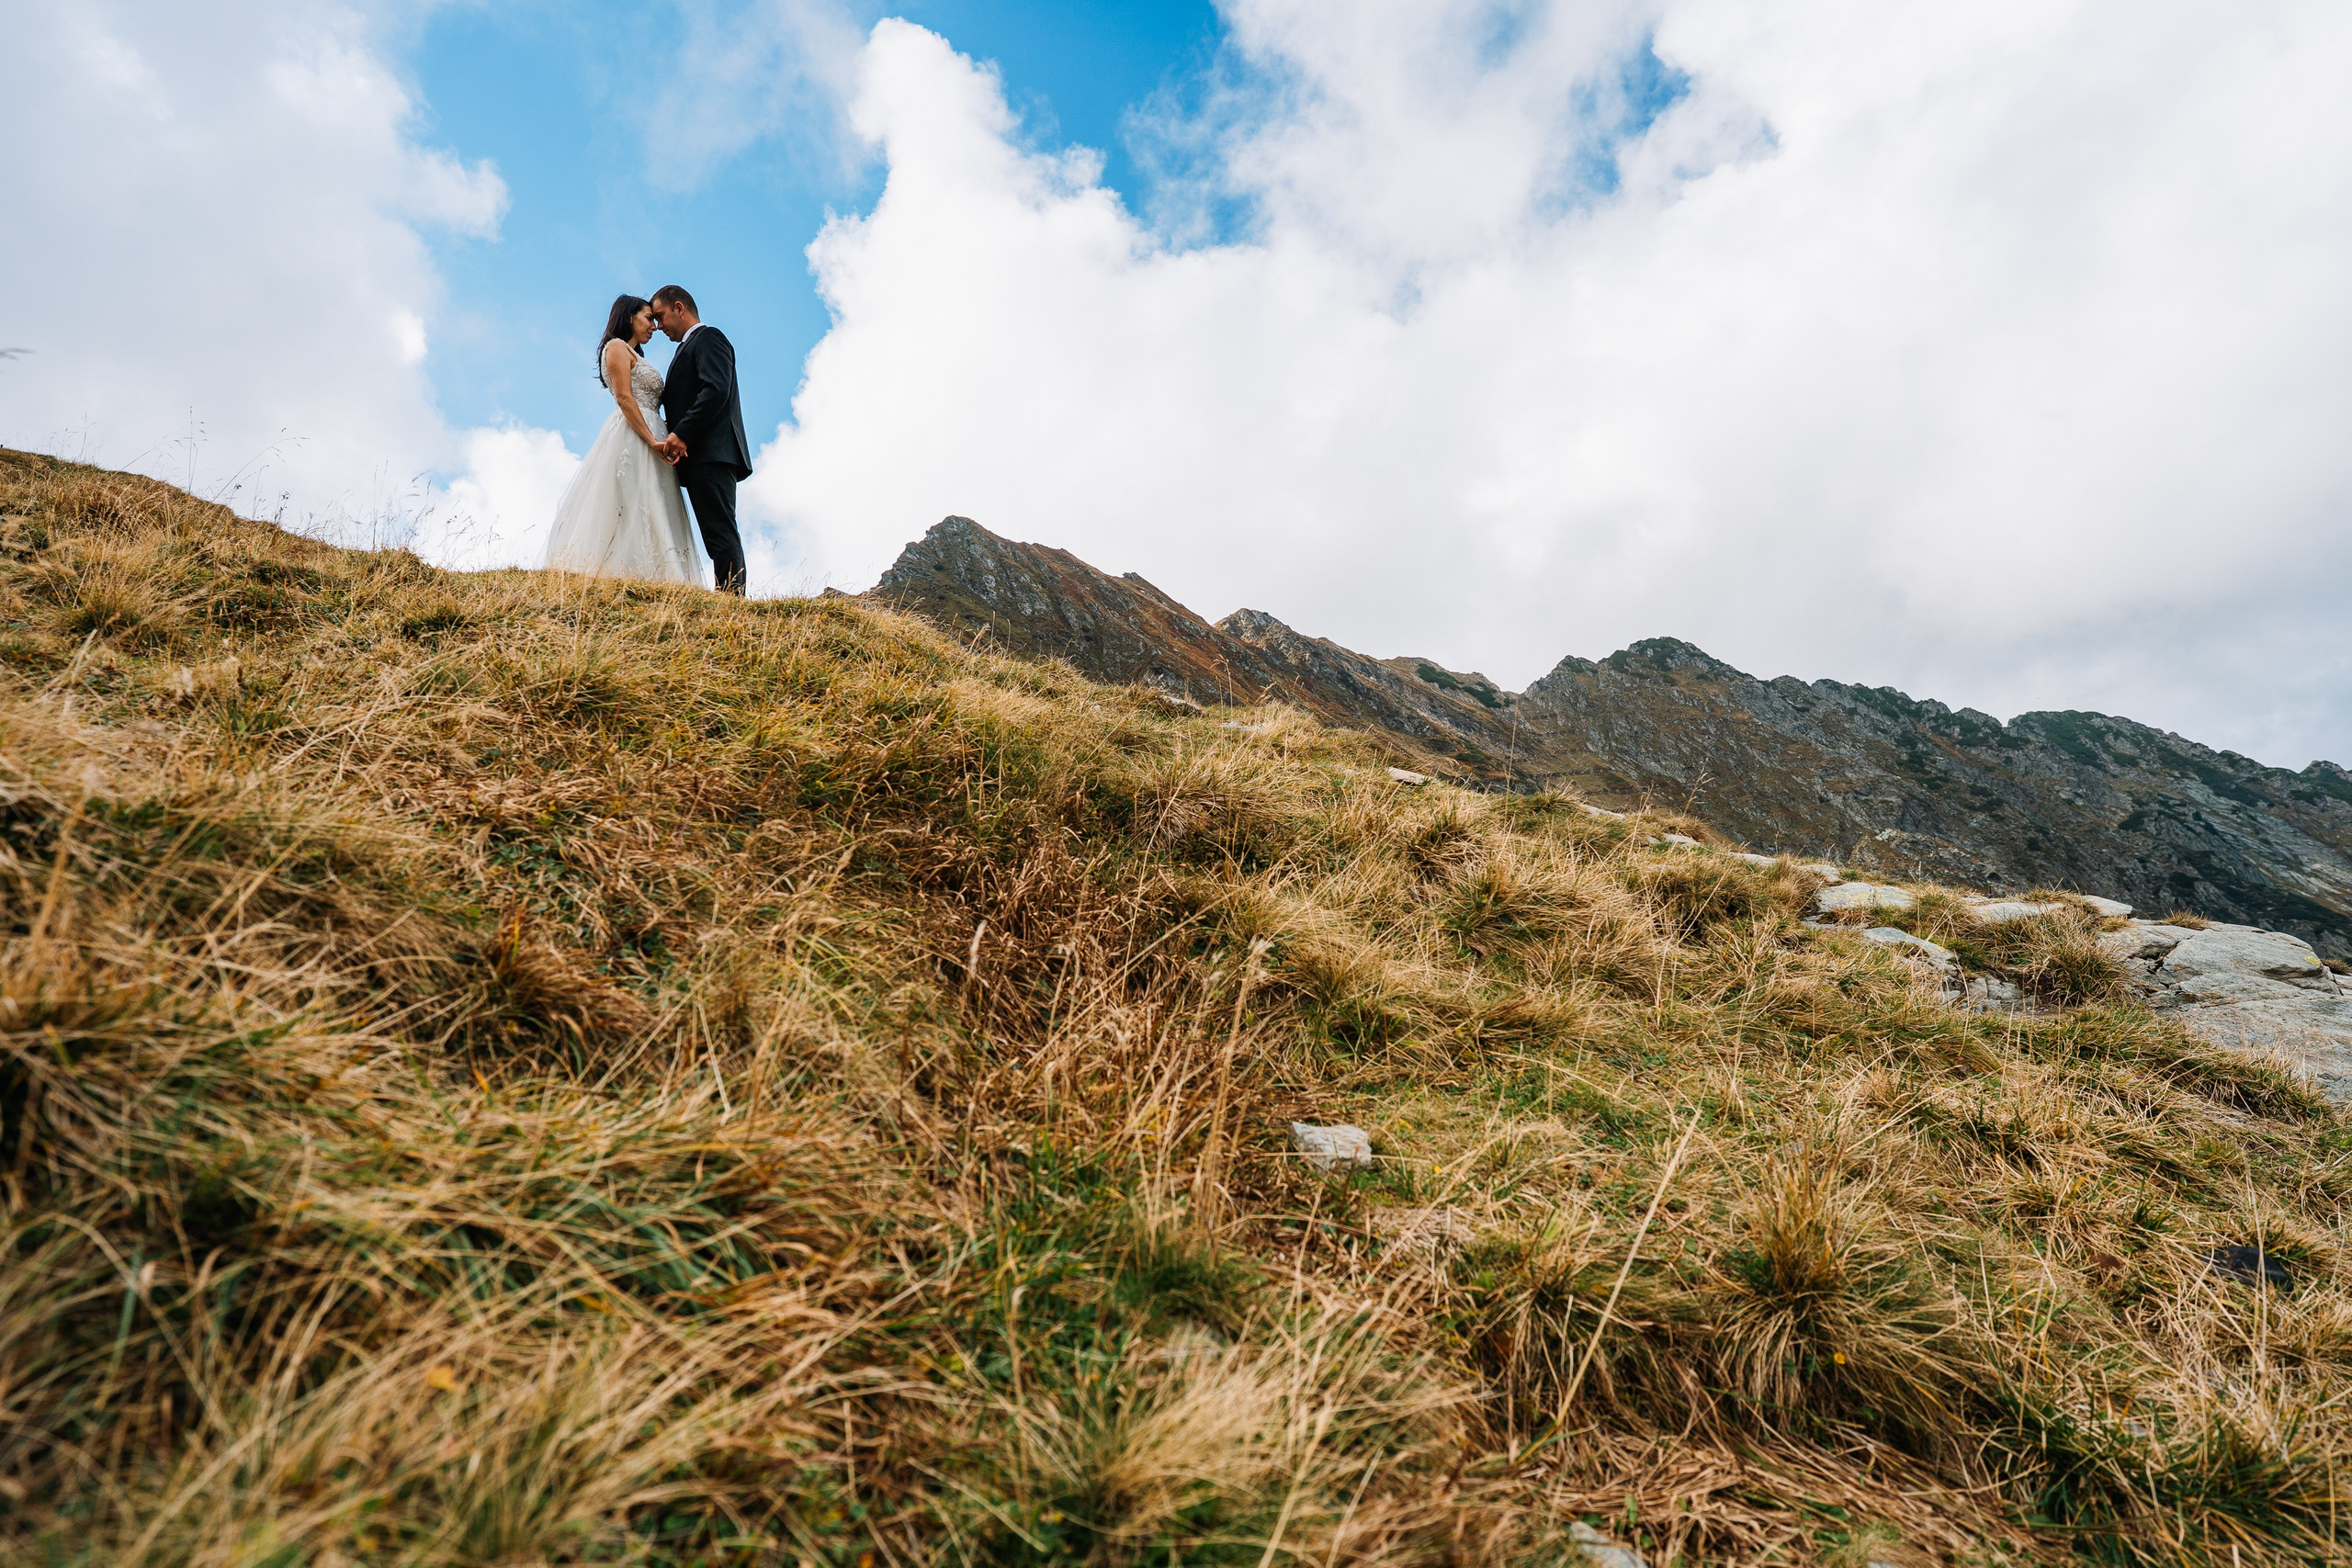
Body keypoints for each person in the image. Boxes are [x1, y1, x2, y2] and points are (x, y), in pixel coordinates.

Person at [541, 294, 708, 586]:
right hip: (635, 436)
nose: (654, 326)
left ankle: (662, 578)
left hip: (654, 431)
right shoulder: (616, 347)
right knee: (632, 499)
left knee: (655, 500)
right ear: (630, 317)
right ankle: (624, 573)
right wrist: (651, 440)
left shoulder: (636, 355)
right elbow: (624, 397)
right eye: (648, 318)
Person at [649, 285, 752, 595]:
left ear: (679, 307)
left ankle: (732, 602)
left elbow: (716, 389)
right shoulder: (686, 348)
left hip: (712, 452)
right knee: (713, 533)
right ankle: (728, 598)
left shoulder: (709, 338)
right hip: (700, 456)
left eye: (661, 316)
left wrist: (682, 434)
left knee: (720, 532)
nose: (658, 325)